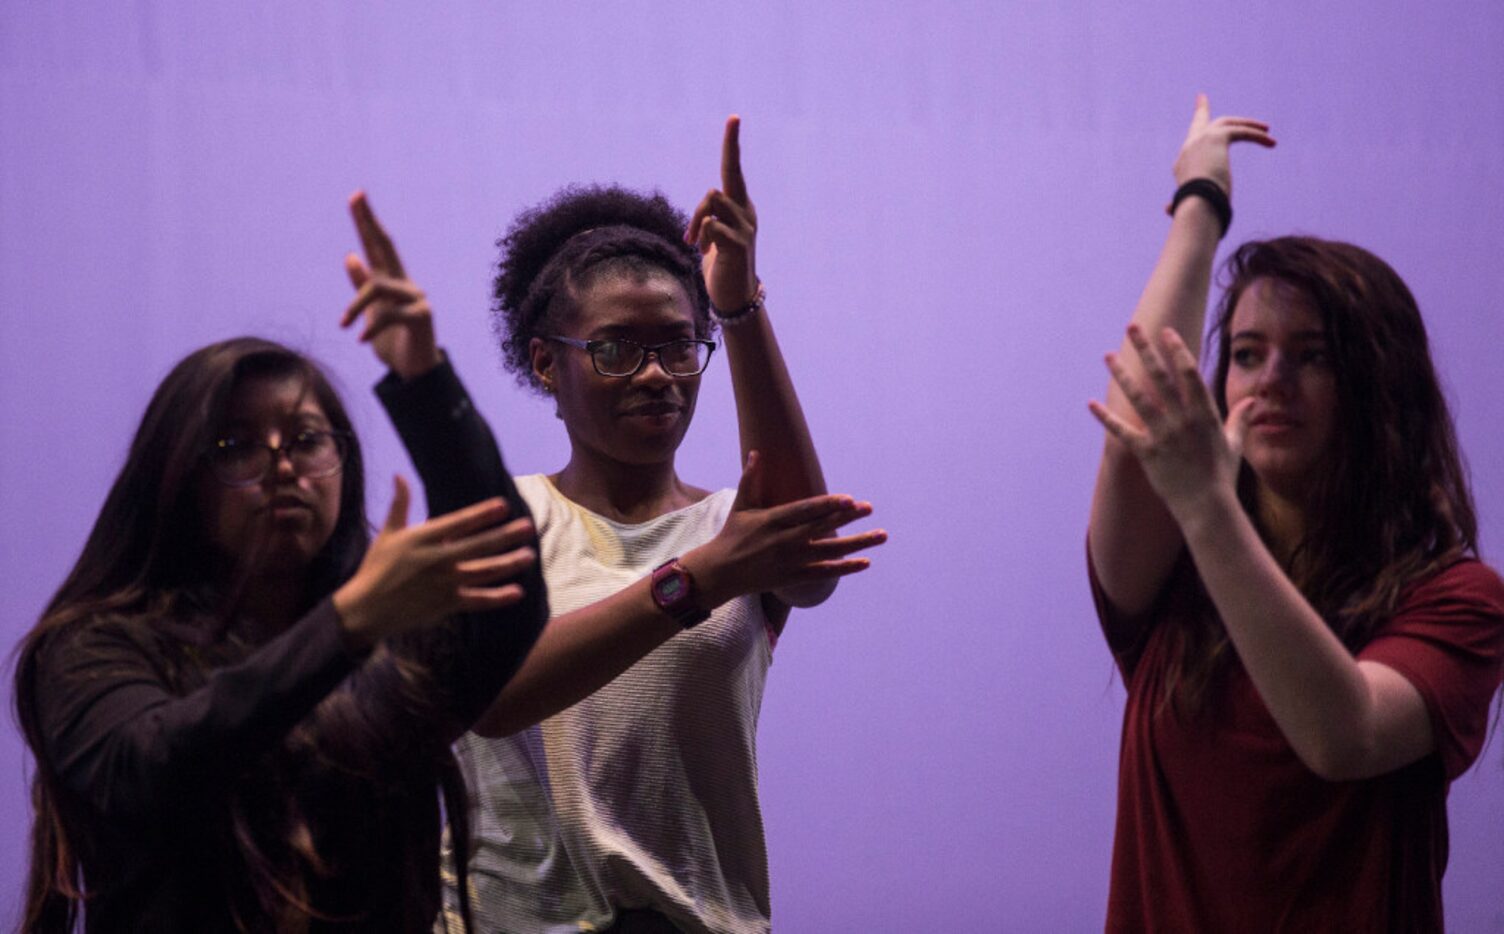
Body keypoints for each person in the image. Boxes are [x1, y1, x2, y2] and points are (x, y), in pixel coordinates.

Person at [340, 117, 885, 934]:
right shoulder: (502, 515)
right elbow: (492, 696)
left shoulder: (729, 529)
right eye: (617, 350)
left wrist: (735, 302)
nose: (658, 375)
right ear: (544, 363)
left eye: (677, 345)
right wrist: (695, 580)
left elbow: (806, 558)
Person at [15, 250, 548, 929]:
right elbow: (144, 772)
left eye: (306, 438)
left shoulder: (389, 644)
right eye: (236, 445)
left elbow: (510, 589)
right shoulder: (93, 644)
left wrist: (424, 378)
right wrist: (347, 624)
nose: (283, 466)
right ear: (175, 477)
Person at [1086, 95, 1504, 931]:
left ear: (1381, 392)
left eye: (1311, 356)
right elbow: (1142, 406)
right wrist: (1200, 204)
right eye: (1246, 355)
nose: (1271, 378)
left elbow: (1341, 733)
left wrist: (1207, 509)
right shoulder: (1170, 575)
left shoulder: (1460, 600)